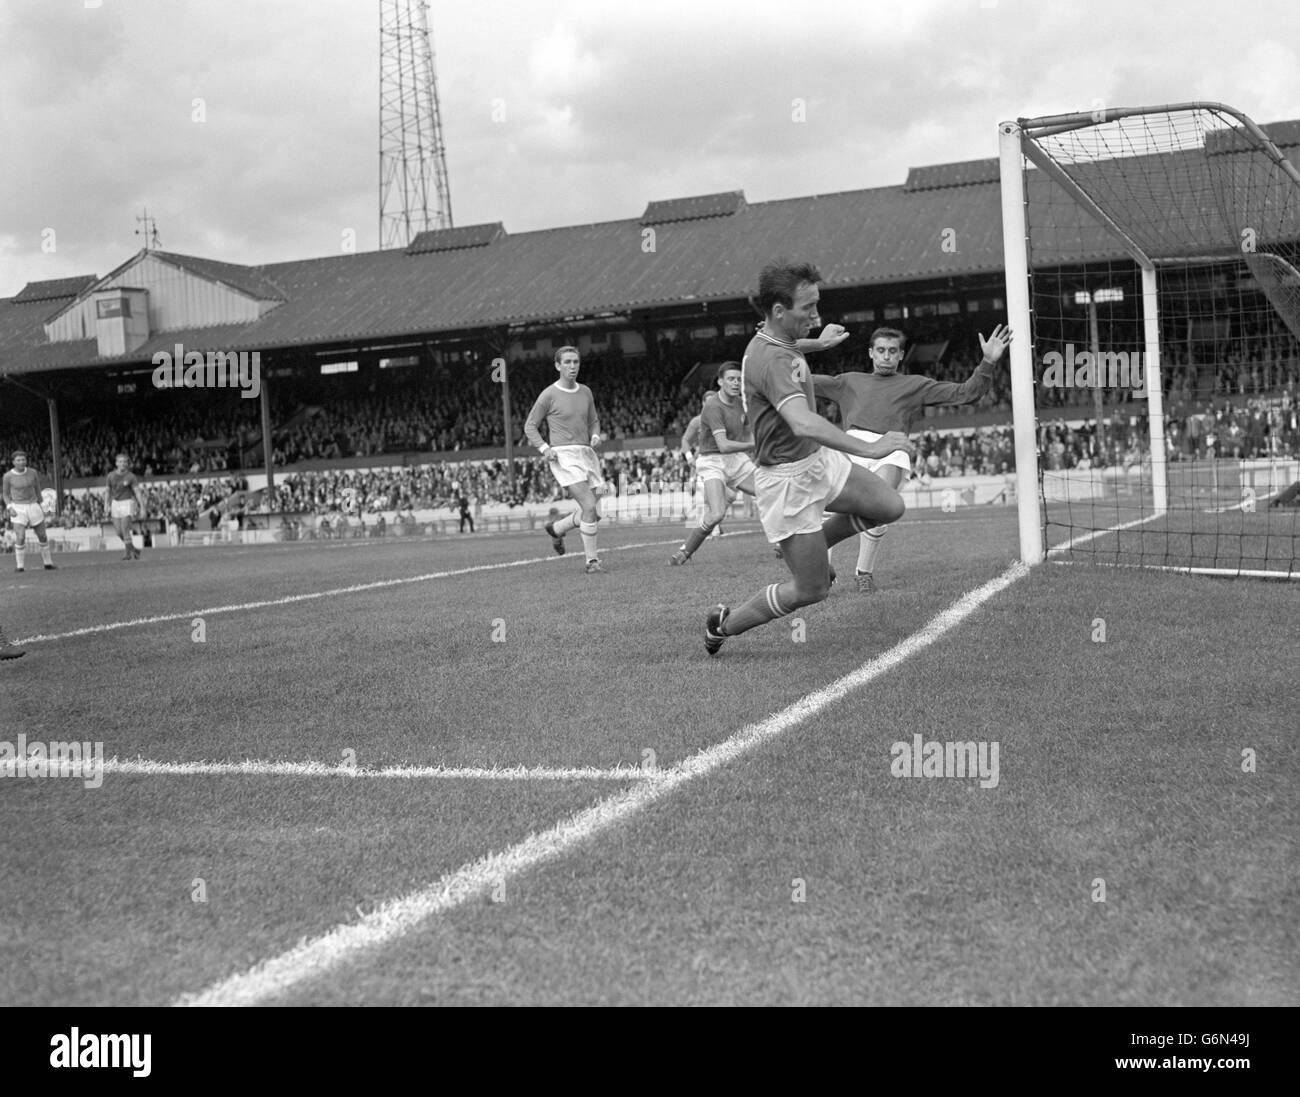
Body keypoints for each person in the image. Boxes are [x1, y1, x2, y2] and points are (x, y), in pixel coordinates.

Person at [703, 260, 914, 655]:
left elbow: (789, 347)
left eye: (818, 304)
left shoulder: (769, 341)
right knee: (813, 589)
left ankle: (814, 544)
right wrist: (873, 447)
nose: (817, 316)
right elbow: (802, 422)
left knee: (889, 505)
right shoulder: (772, 361)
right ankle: (723, 625)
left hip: (817, 462)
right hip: (786, 482)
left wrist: (820, 344)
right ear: (779, 311)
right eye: (808, 308)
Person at [813, 324, 1012, 591]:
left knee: (880, 503)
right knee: (824, 510)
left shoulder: (915, 385)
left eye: (892, 351)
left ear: (901, 356)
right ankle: (821, 570)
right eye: (881, 350)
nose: (886, 356)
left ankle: (864, 573)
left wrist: (987, 361)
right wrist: (783, 343)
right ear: (870, 353)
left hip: (892, 447)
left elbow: (965, 393)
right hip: (852, 447)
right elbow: (799, 379)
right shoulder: (848, 381)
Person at [524, 346, 607, 573]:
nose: (572, 366)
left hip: (587, 454)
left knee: (596, 513)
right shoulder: (549, 394)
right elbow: (530, 426)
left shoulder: (586, 392)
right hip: (564, 456)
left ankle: (557, 528)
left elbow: (594, 420)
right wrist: (544, 448)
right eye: (568, 362)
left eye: (576, 362)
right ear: (558, 365)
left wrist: (596, 434)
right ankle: (592, 562)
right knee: (589, 506)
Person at [671, 365, 756, 564]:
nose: (736, 383)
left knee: (770, 491)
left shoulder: (741, 403)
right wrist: (689, 459)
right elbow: (722, 445)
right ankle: (684, 552)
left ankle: (782, 543)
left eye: (738, 379)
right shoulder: (709, 410)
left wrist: (753, 447)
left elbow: (748, 429)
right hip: (711, 461)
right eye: (731, 379)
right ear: (720, 381)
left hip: (736, 457)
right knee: (716, 513)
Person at [2, 451, 57, 572]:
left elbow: (37, 488)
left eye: (23, 459)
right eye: (18, 460)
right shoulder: (7, 476)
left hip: (33, 505)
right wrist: (9, 507)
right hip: (18, 508)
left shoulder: (32, 472)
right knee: (20, 536)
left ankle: (48, 563)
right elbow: (5, 494)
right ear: (13, 462)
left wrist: (43, 505)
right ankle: (20, 566)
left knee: (42, 535)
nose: (21, 462)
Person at [105, 453, 147, 561]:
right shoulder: (110, 476)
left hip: (127, 503)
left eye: (125, 462)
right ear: (116, 463)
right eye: (120, 461)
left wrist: (142, 507)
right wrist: (106, 503)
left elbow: (137, 492)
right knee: (119, 532)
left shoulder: (131, 476)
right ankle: (135, 550)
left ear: (127, 464)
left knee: (125, 529)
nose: (122, 464)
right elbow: (108, 490)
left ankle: (127, 554)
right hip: (115, 503)